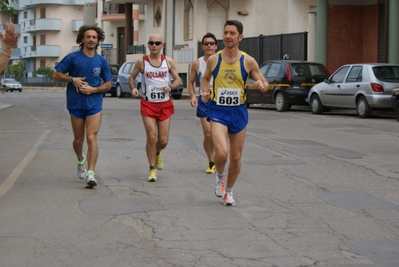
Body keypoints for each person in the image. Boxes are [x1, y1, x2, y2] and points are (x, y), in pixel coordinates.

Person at [201, 20, 269, 206]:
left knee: (236, 157)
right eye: (225, 32)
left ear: (240, 37)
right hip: (218, 111)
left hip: (238, 111)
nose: (228, 36)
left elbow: (264, 83)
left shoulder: (248, 61)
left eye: (232, 33)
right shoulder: (215, 59)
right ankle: (220, 177)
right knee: (222, 153)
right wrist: (205, 92)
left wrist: (262, 85)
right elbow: (205, 78)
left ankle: (228, 192)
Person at [53, 25, 112, 188]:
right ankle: (80, 159)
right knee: (78, 140)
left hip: (94, 103)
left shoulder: (101, 61)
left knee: (91, 137)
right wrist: (73, 80)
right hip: (76, 103)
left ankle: (91, 173)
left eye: (94, 37)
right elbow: (56, 74)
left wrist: (94, 89)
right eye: (88, 37)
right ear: (82, 39)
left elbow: (108, 84)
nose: (91, 39)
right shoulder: (72, 58)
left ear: (98, 40)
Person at [129, 34, 181, 182]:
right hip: (148, 103)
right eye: (151, 43)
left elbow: (177, 79)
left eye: (157, 43)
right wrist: (133, 88)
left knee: (163, 140)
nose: (154, 45)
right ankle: (152, 169)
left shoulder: (168, 61)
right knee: (151, 136)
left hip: (164, 103)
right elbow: (131, 77)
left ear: (162, 45)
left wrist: (170, 87)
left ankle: (157, 152)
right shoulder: (142, 62)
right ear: (148, 44)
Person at [188, 32, 218, 174]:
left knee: (218, 134)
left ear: (216, 46)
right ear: (203, 47)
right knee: (208, 134)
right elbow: (191, 82)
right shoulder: (197, 63)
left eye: (212, 43)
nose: (209, 46)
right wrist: (193, 96)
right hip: (204, 100)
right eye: (206, 43)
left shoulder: (223, 60)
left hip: (220, 101)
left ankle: (220, 157)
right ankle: (211, 161)